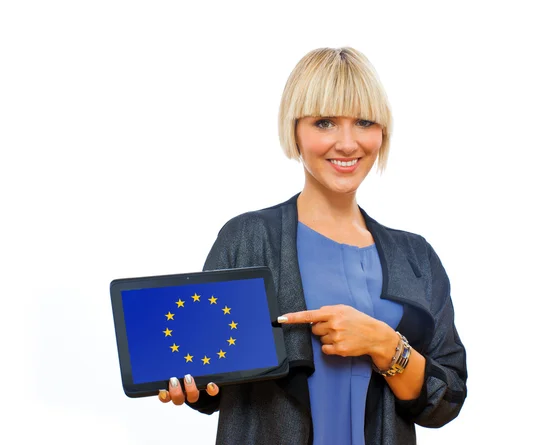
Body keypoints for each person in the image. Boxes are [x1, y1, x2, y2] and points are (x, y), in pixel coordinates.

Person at [157, 47, 467, 445]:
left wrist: (383, 343)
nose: (347, 142)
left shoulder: (416, 258)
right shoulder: (248, 239)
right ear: (295, 130)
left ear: (382, 132)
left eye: (364, 121)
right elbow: (210, 371)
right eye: (324, 123)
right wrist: (191, 384)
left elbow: (446, 399)